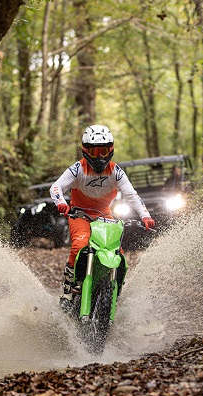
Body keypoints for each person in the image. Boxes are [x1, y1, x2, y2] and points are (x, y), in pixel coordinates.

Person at [50, 124, 155, 308]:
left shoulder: (116, 172)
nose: (99, 156)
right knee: (81, 244)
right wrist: (61, 203)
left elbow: (132, 195)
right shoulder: (77, 169)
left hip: (105, 215)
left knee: (117, 252)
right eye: (95, 151)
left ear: (111, 150)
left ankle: (114, 289)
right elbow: (56, 187)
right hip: (79, 214)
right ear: (85, 151)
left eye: (104, 150)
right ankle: (69, 288)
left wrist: (145, 215)